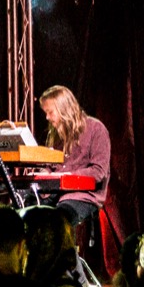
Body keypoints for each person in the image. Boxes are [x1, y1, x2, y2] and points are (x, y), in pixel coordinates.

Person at [39, 85, 110, 228]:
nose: (47, 117)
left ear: (63, 108)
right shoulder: (54, 135)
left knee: (60, 219)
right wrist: (44, 173)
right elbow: (49, 166)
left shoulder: (96, 129)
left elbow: (98, 172)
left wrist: (68, 176)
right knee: (21, 209)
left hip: (82, 195)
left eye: (50, 112)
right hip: (55, 193)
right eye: (46, 113)